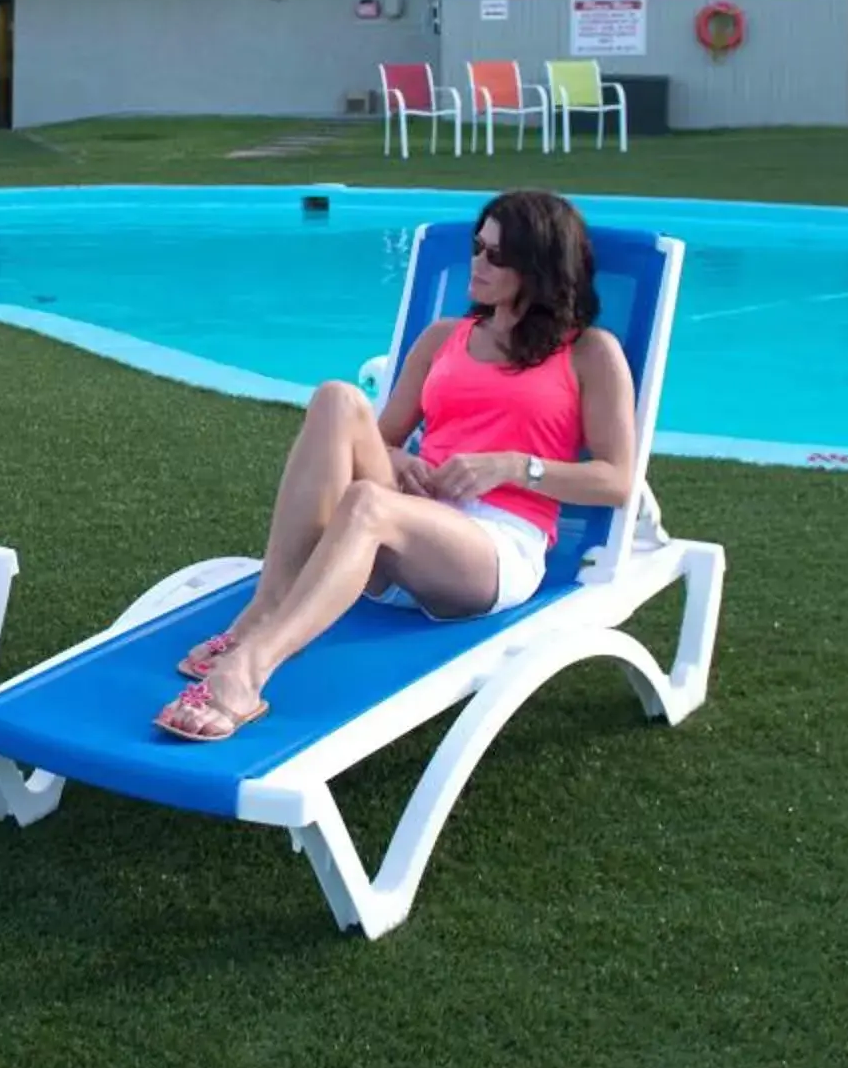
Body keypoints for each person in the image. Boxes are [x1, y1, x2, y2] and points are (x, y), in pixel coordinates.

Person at [156, 189, 637, 743]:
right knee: (337, 399)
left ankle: (247, 673)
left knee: (367, 505)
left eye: (495, 256)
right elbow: (379, 440)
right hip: (409, 517)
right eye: (476, 247)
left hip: (495, 548)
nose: (477, 263)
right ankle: (265, 608)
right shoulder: (443, 339)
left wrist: (512, 466)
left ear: (539, 266)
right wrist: (397, 457)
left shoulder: (589, 354)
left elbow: (616, 481)